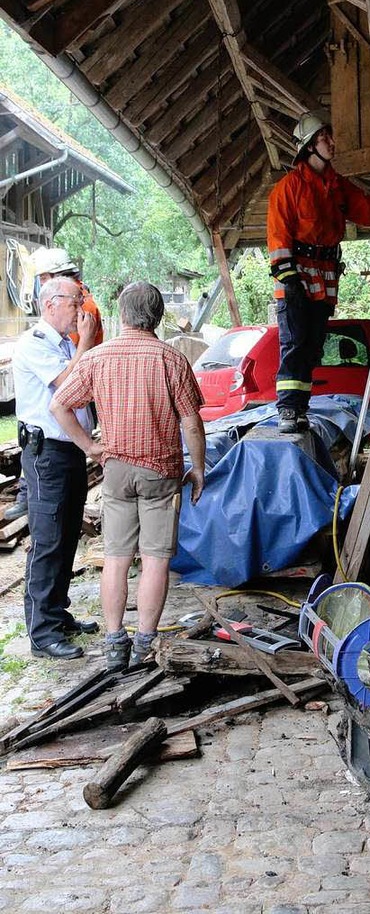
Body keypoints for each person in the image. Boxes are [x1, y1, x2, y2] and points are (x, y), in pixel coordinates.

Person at [51, 281, 206, 672]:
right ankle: (145, 643)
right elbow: (191, 422)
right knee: (155, 560)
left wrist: (89, 446)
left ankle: (114, 640)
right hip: (160, 472)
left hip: (116, 471)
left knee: (117, 558)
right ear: (158, 316)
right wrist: (199, 467)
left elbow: (59, 405)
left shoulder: (96, 358)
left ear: (122, 314)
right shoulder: (171, 360)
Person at [266, 110, 370, 434]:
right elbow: (278, 239)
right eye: (324, 137)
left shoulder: (336, 187)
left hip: (323, 286)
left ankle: (300, 410)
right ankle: (288, 410)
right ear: (309, 146)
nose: (331, 142)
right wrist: (290, 280)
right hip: (296, 284)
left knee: (311, 348)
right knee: (295, 345)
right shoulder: (288, 189)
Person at [12, 276, 99, 660]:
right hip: (45, 451)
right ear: (50, 304)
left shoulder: (64, 343)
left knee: (66, 535)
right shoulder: (34, 343)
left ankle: (58, 613)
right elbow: (67, 382)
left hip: (68, 449)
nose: (80, 310)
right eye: (74, 302)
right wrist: (83, 344)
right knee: (47, 540)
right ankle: (42, 632)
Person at [5, 246, 104, 521]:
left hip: (67, 432)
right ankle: (28, 494)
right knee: (51, 533)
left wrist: (82, 343)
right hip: (49, 444)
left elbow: (70, 383)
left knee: (63, 530)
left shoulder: (79, 310)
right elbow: (66, 382)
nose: (77, 310)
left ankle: (28, 495)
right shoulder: (39, 339)